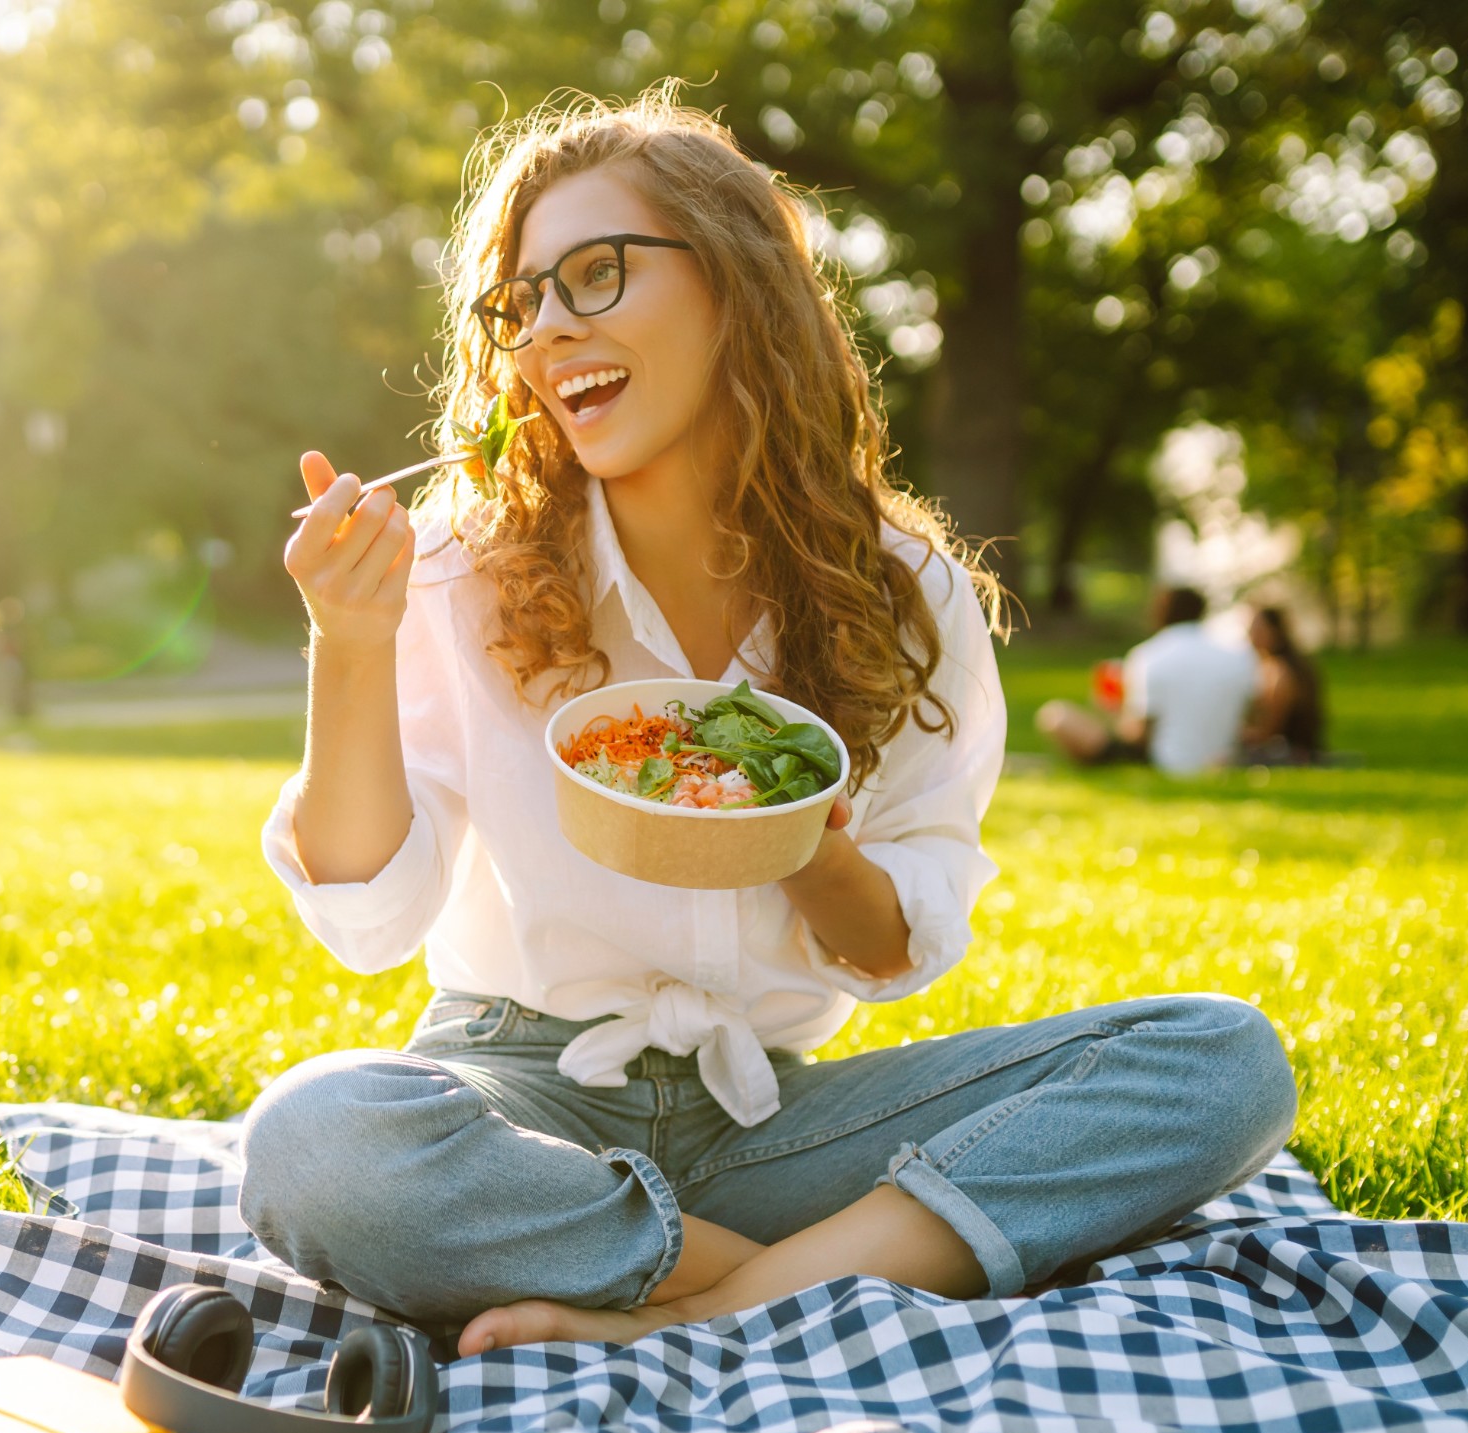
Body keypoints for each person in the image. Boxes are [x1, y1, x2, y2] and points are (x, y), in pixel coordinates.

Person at [239, 94, 1295, 1358]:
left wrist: (800, 840)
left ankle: (704, 1305)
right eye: (520, 302)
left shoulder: (903, 591)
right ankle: (803, 1280)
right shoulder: (457, 568)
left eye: (596, 273)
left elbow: (892, 947)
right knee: (316, 1141)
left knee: (1222, 1060)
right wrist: (350, 643)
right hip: (522, 1104)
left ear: (736, 283)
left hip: (772, 1126)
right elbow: (366, 920)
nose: (549, 327)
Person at [1035, 585, 1258, 777]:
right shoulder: (1238, 656)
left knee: (1055, 715)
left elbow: (1138, 735)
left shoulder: (1148, 656)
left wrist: (1112, 710)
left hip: (1163, 761)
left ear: (1160, 613)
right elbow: (1252, 717)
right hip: (1223, 760)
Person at [1237, 605, 1325, 765]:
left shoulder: (1280, 672)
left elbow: (1269, 731)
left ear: (1275, 632)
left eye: (1257, 629)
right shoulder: (1282, 665)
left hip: (1289, 753)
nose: (1251, 635)